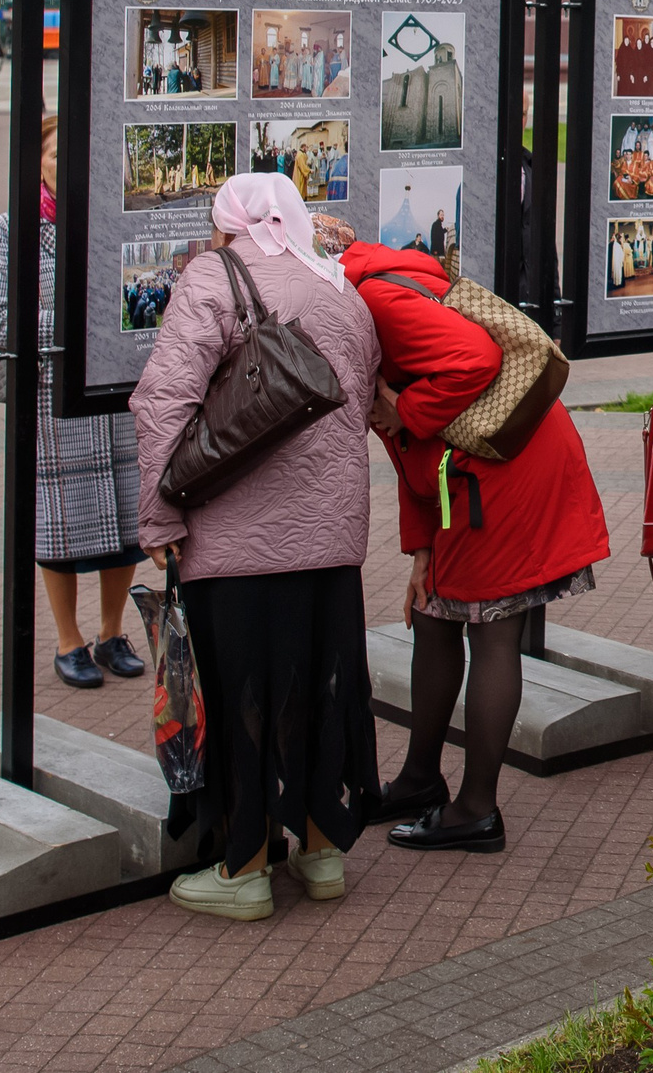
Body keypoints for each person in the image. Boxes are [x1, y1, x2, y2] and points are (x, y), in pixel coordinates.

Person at [132, 173, 384, 921]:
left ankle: (242, 867)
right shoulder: (339, 286)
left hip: (237, 541)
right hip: (330, 541)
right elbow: (364, 400)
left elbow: (163, 402)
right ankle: (321, 850)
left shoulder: (214, 277)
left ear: (228, 222)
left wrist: (159, 521)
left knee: (243, 699)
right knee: (321, 691)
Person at [337, 231, 610, 855]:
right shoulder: (365, 288)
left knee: (491, 630)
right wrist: (421, 553)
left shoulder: (370, 299)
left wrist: (405, 411)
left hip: (506, 465)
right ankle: (419, 780)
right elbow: (404, 446)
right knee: (434, 616)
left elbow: (474, 362)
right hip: (475, 464)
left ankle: (477, 809)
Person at [0, 114, 145, 689]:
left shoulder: (116, 223)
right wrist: (73, 318)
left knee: (127, 519)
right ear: (38, 162)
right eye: (58, 156)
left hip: (116, 396)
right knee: (60, 524)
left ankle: (111, 632)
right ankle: (67, 639)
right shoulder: (14, 231)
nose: (71, 168)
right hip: (53, 399)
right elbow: (0, 319)